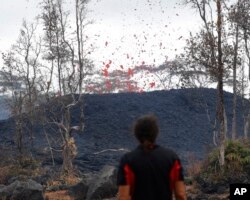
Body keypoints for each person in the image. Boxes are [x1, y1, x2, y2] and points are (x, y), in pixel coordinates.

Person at [117, 114, 187, 200]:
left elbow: (123, 197)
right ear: (156, 133)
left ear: (136, 134)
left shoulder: (127, 161)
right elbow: (180, 194)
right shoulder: (172, 158)